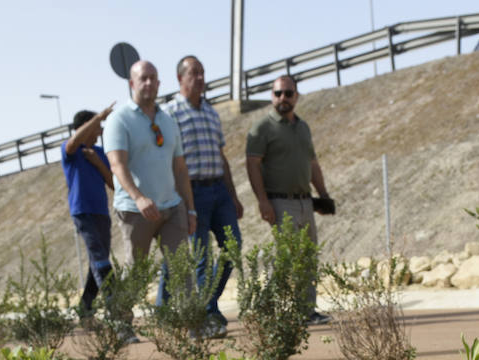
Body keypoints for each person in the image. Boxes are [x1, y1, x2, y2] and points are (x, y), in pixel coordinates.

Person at [164, 55, 244, 338]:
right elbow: (169, 160)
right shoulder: (170, 113)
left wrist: (233, 196)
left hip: (219, 190)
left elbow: (222, 157)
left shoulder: (211, 112)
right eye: (193, 73)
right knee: (200, 256)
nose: (199, 78)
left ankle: (208, 304)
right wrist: (180, 199)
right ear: (180, 79)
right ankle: (207, 314)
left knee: (232, 248)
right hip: (192, 192)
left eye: (202, 73)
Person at [245, 75, 333, 323]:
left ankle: (306, 310)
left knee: (307, 257)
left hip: (305, 201)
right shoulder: (262, 128)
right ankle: (266, 309)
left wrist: (323, 195)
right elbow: (252, 164)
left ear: (296, 95)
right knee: (284, 258)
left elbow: (312, 163)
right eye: (277, 93)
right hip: (279, 202)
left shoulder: (303, 127)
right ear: (272, 96)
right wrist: (262, 200)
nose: (283, 98)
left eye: (288, 93)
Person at [103, 60, 196, 265]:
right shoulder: (119, 120)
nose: (148, 83)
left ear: (159, 83)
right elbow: (117, 164)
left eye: (152, 78)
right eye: (142, 78)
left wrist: (190, 209)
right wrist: (139, 198)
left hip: (171, 207)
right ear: (131, 84)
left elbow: (180, 169)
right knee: (135, 277)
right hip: (135, 210)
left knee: (183, 276)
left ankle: (186, 300)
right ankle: (122, 299)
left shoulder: (168, 121)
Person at [60, 106, 116, 317]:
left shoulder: (99, 153)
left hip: (101, 212)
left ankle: (85, 309)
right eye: (97, 126)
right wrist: (99, 116)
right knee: (101, 259)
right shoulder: (71, 150)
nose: (100, 131)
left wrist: (98, 163)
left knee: (98, 261)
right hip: (83, 212)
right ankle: (115, 305)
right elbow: (74, 142)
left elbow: (112, 183)